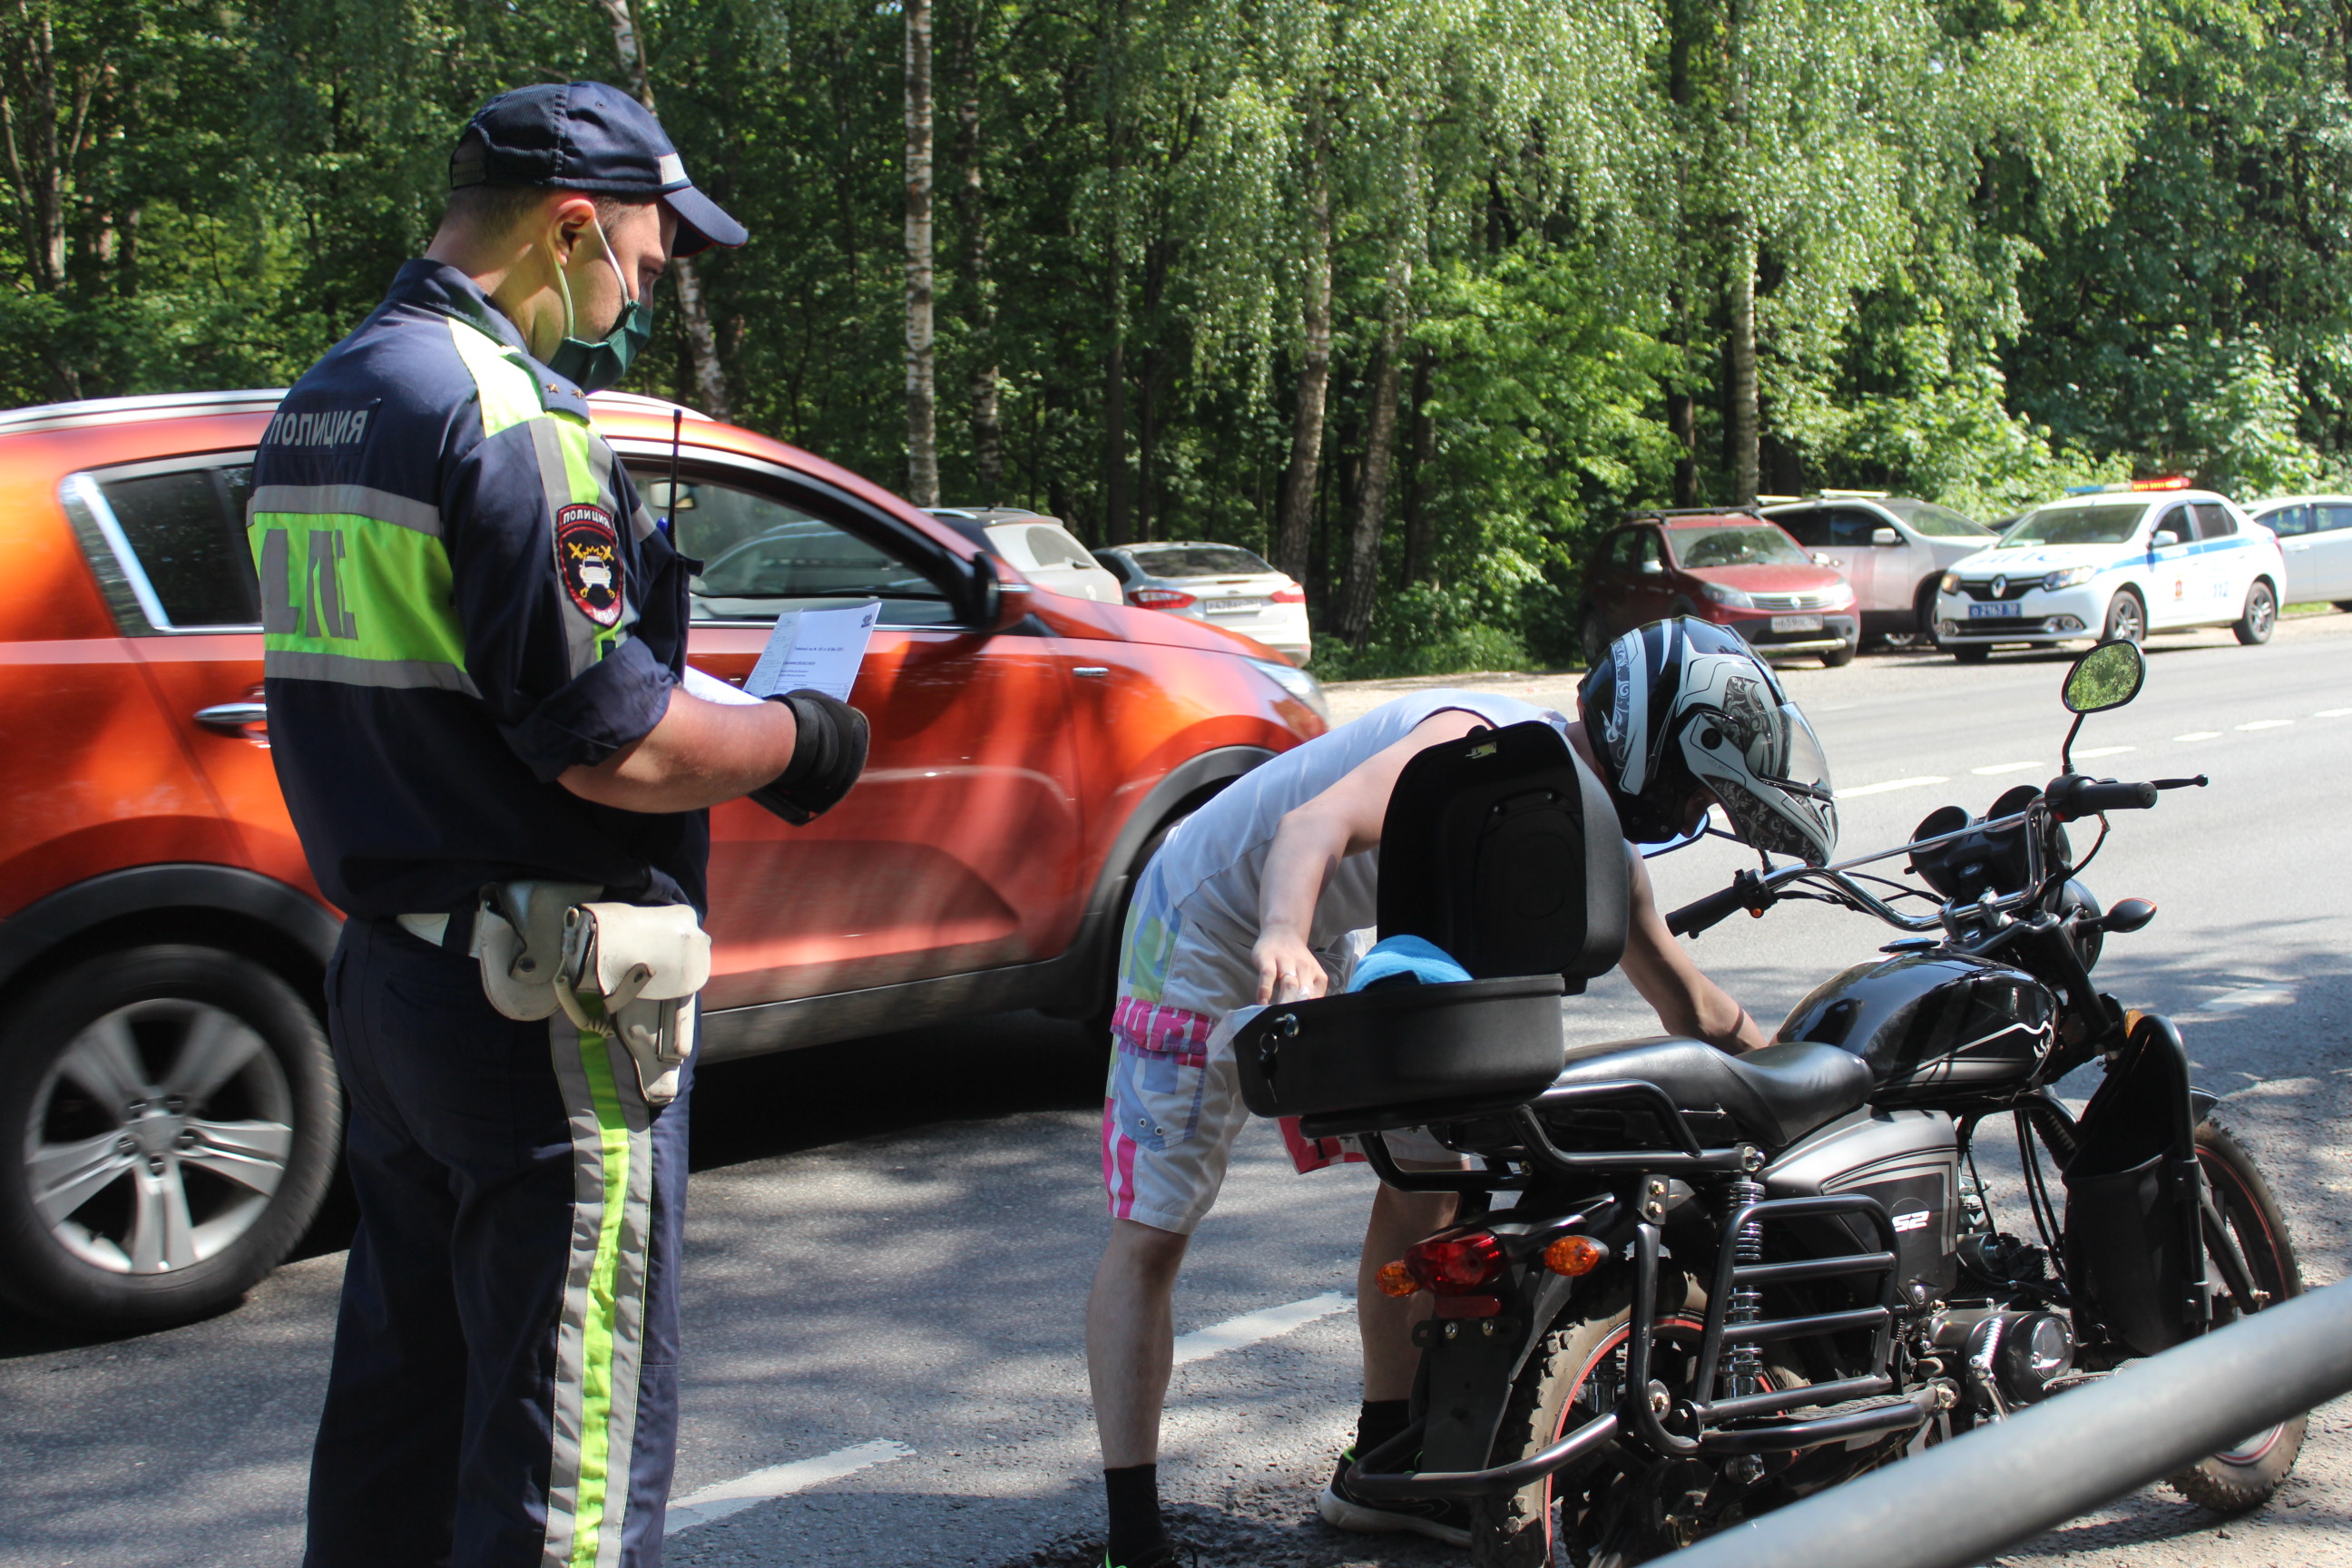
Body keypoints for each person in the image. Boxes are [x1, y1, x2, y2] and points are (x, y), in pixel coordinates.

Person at [256, 83, 862, 1567]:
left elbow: (463, 684)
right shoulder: (510, 414)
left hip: (394, 978)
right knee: (561, 1466)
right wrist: (798, 737)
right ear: (570, 223)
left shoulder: (329, 397)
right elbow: (614, 743)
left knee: (402, 1416)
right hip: (540, 1004)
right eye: (649, 254)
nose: (648, 288)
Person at [1085, 618, 1838, 1567]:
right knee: (1155, 1232)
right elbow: (1311, 826)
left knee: (1430, 1182)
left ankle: (1384, 1466)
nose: (1694, 807)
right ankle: (1133, 1538)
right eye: (1695, 786)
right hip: (1210, 916)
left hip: (1330, 928)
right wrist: (1281, 935)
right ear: (1652, 745)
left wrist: (1804, 1081)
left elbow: (1690, 1004)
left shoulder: (1596, 829)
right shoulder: (1473, 735)